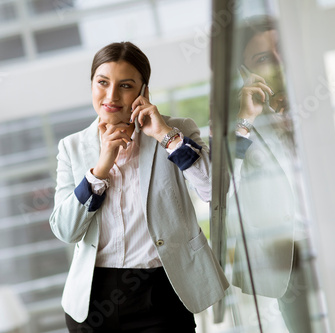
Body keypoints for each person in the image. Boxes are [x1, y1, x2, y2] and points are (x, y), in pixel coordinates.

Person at [49, 41, 229, 332]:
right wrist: (100, 169)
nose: (111, 96)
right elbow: (66, 230)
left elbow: (216, 191)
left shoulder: (176, 130)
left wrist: (164, 135)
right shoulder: (71, 147)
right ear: (92, 84)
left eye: (126, 85)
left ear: (144, 91)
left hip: (162, 292)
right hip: (94, 301)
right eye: (102, 82)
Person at [229, 15, 312, 333]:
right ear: (244, 72)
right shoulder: (240, 125)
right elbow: (222, 187)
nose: (278, 62)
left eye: (281, 49)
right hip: (291, 255)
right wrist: (245, 121)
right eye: (262, 58)